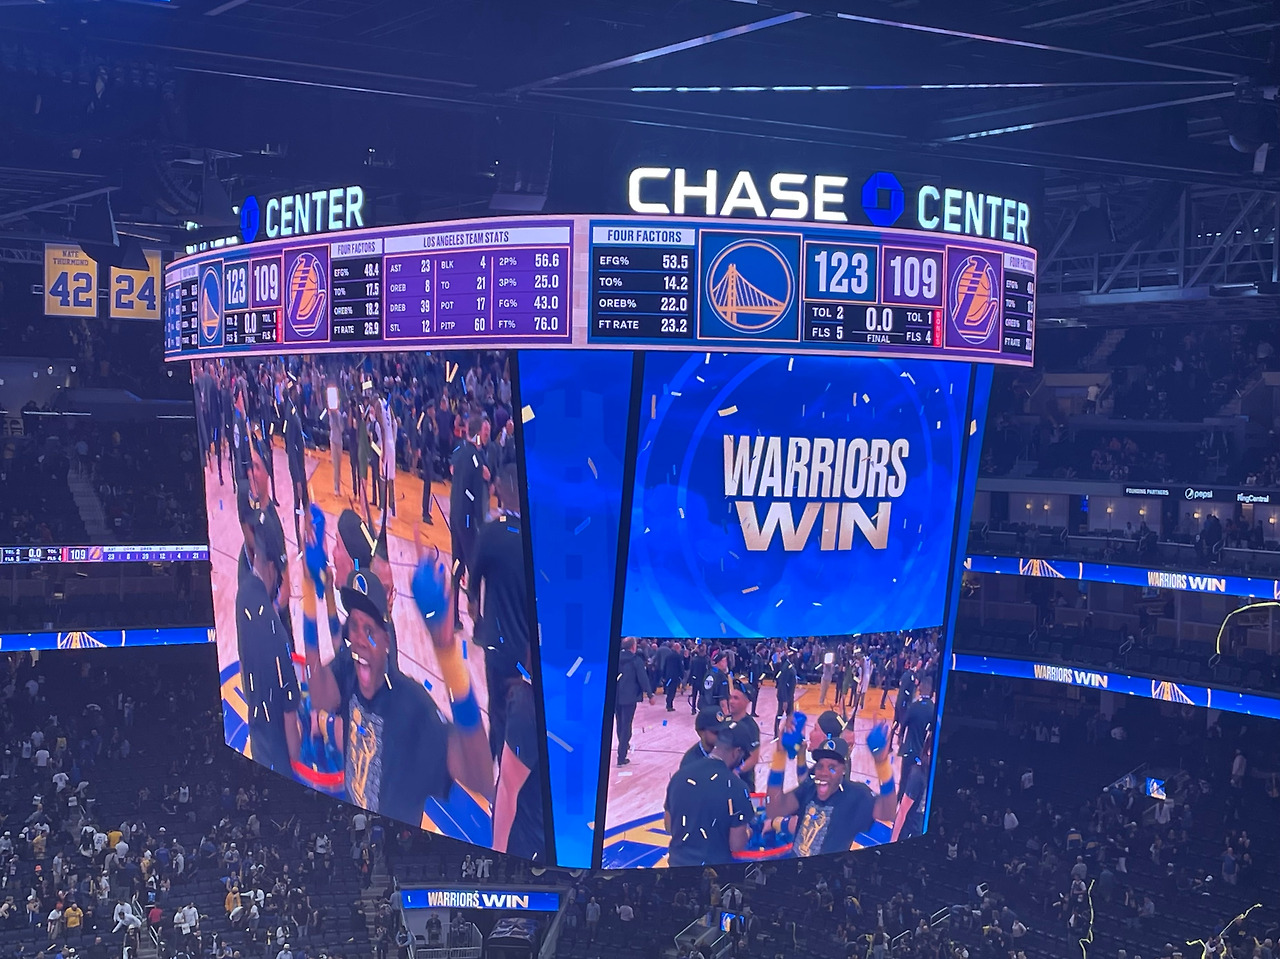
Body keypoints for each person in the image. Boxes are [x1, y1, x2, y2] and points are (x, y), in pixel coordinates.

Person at [300, 509, 494, 825]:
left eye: (370, 629)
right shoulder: (349, 669)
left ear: (387, 637)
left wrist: (447, 653)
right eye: (355, 626)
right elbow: (318, 695)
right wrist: (309, 589)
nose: (359, 639)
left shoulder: (412, 707)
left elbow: (481, 777)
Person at [765, 719, 898, 858]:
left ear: (843, 770)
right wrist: (780, 756)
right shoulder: (809, 788)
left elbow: (887, 813)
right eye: (820, 766)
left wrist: (882, 765)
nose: (824, 773)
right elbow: (773, 808)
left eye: (832, 767)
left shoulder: (856, 795)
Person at [235, 510, 300, 775]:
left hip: (257, 740)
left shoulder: (243, 595)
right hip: (279, 761)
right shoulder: (279, 638)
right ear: (273, 568)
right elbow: (293, 745)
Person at [664, 721, 753, 866]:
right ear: (737, 752)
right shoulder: (737, 787)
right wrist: (748, 832)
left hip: (676, 865)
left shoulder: (679, 776)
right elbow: (736, 845)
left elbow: (668, 826)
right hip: (713, 872)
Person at [448, 416, 490, 629]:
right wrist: (481, 527)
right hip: (468, 522)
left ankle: (453, 617)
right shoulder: (476, 458)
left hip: (454, 515)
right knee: (474, 570)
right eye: (485, 431)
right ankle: (477, 625)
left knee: (457, 565)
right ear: (477, 433)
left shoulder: (460, 450)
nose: (487, 435)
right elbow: (476, 499)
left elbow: (452, 468)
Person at [615, 637, 654, 766]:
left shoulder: (615, 658)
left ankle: (623, 746)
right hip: (629, 697)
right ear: (633, 647)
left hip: (616, 697)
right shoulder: (636, 660)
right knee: (627, 726)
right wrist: (650, 694)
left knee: (620, 724)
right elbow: (643, 678)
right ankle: (621, 756)